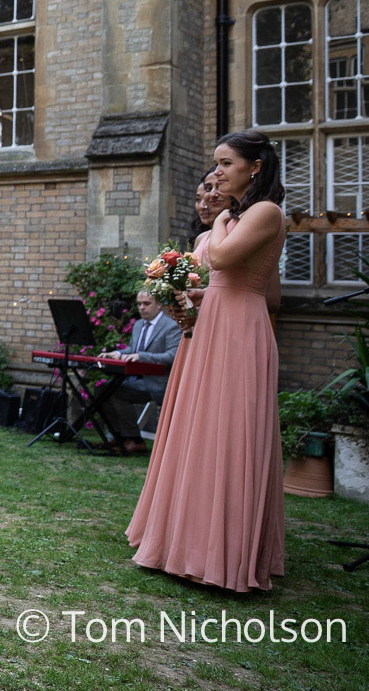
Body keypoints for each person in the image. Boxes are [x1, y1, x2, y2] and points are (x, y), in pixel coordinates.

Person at [127, 129, 287, 592]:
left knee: (229, 432)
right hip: (211, 326)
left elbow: (232, 266)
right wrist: (193, 296)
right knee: (200, 430)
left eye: (224, 164)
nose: (215, 175)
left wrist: (220, 223)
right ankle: (184, 543)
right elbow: (242, 281)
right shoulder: (244, 215)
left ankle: (223, 554)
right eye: (215, 164)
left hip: (239, 332)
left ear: (254, 167)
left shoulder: (265, 212)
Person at [95, 290, 180, 453]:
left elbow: (172, 356)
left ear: (159, 305)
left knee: (118, 393)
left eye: (146, 304)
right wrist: (118, 354)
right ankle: (118, 437)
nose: (141, 308)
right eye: (139, 304)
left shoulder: (171, 326)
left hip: (158, 382)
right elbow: (133, 349)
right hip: (135, 379)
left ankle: (135, 440)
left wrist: (141, 356)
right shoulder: (139, 324)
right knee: (102, 390)